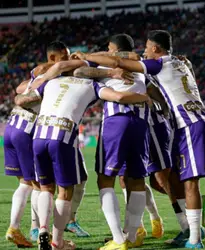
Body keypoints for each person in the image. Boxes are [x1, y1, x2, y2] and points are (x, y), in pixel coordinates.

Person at [73, 30, 205, 248]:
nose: (144, 50)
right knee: (139, 179)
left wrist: (88, 56)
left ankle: (189, 229)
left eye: (148, 46)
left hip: (155, 123)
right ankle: (163, 226)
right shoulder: (168, 62)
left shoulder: (147, 63)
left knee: (163, 179)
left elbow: (119, 62)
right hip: (161, 123)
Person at [15, 59, 150, 250]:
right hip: (62, 136)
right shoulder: (92, 85)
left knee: (45, 188)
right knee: (65, 192)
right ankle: (57, 241)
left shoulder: (50, 83)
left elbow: (21, 98)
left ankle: (43, 229)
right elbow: (119, 97)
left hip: (39, 137)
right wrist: (143, 97)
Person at [4, 41, 71, 248]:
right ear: (53, 58)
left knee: (25, 183)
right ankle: (36, 229)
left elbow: (19, 88)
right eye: (65, 57)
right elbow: (22, 96)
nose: (67, 61)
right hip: (27, 127)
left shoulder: (39, 70)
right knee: (40, 185)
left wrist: (22, 92)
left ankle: (15, 228)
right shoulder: (53, 73)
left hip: (13, 124)